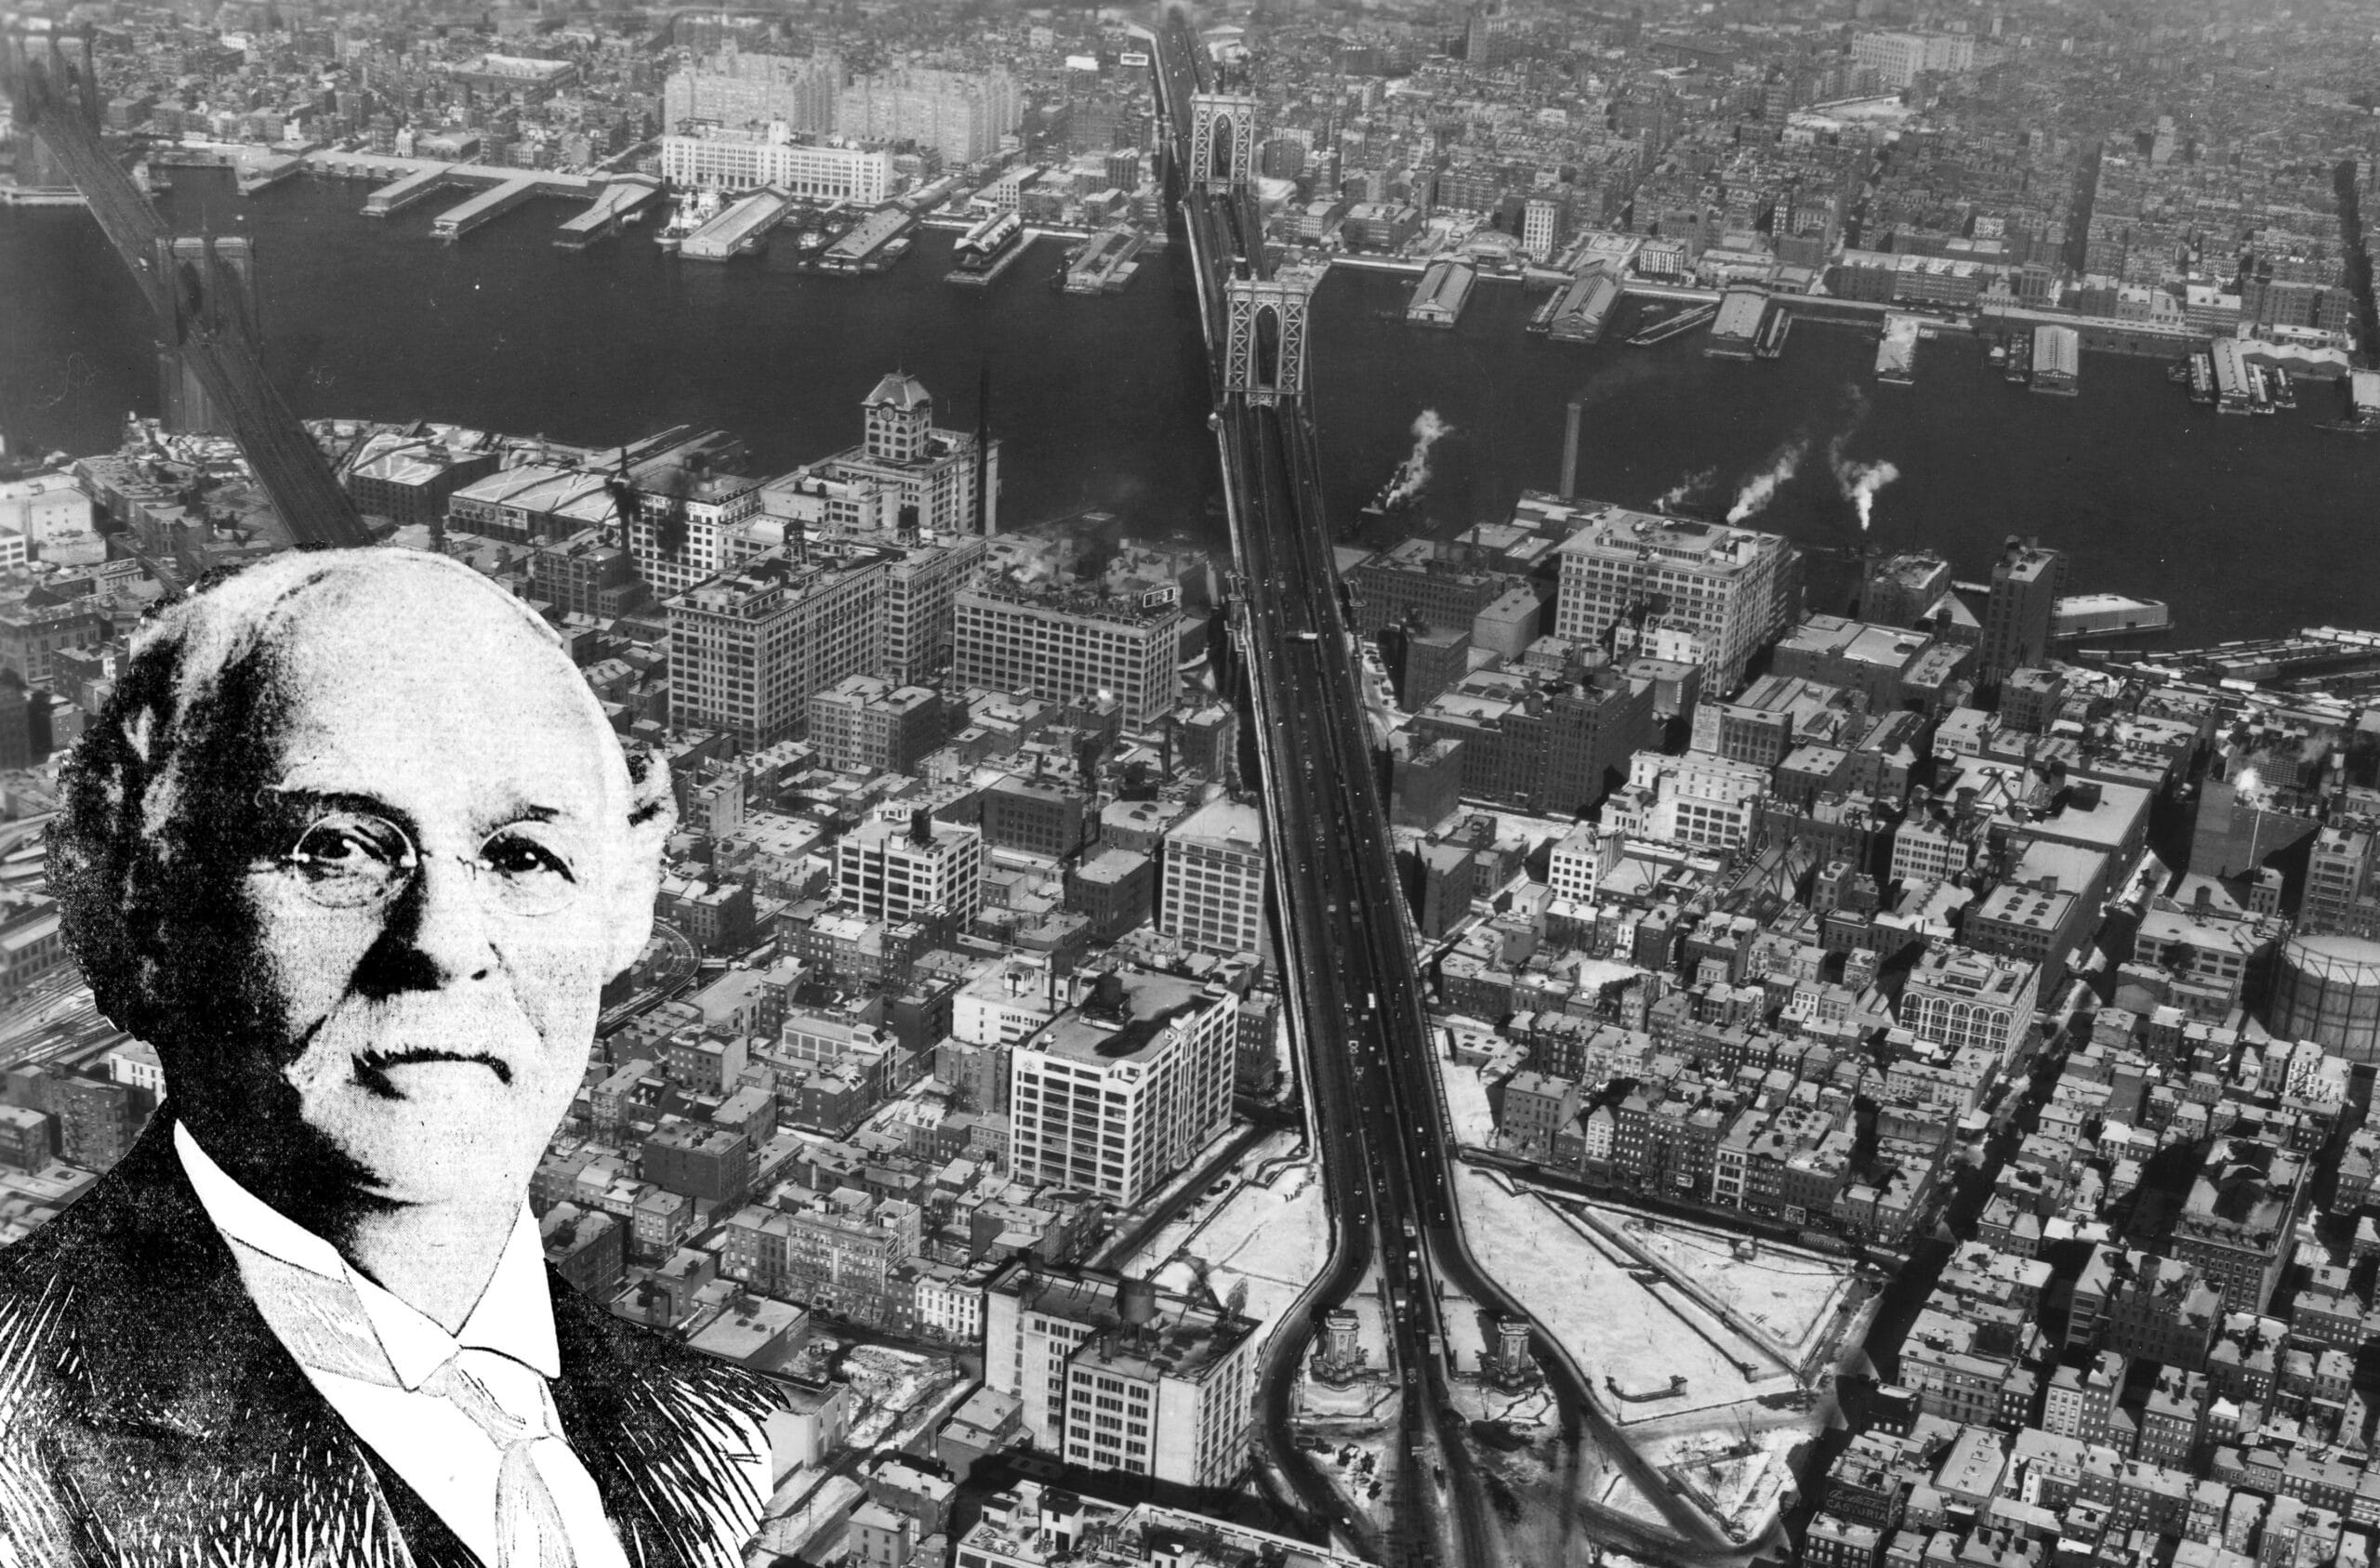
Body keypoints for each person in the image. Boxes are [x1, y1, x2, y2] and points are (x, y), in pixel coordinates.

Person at [0, 549, 780, 1568]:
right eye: (335, 847)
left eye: (523, 855)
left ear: (624, 899)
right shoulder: (22, 1452)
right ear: (154, 904)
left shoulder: (710, 1428)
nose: (444, 942)